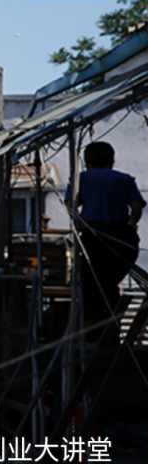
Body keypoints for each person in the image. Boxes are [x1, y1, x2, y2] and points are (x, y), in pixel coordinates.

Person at [67, 141, 145, 338]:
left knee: (91, 286)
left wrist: (80, 224)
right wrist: (130, 225)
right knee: (110, 285)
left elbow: (71, 206)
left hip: (94, 237)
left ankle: (94, 334)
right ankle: (112, 331)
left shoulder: (81, 179)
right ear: (112, 162)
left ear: (87, 163)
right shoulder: (125, 179)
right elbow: (136, 208)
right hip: (121, 238)